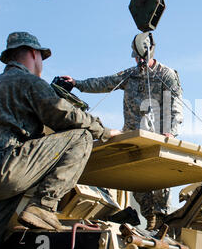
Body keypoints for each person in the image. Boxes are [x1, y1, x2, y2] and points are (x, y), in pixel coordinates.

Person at [0, 32, 121, 249]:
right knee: (81, 136)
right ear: (33, 53)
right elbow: (63, 114)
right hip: (5, 169)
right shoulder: (26, 81)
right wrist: (103, 131)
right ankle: (43, 207)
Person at [61, 33, 183, 231]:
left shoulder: (166, 74)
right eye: (135, 57)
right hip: (134, 136)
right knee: (137, 179)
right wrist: (77, 83)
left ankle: (161, 219)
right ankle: (150, 218)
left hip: (157, 136)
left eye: (140, 57)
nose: (138, 61)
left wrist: (171, 132)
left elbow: (176, 104)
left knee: (159, 179)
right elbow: (104, 82)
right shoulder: (130, 74)